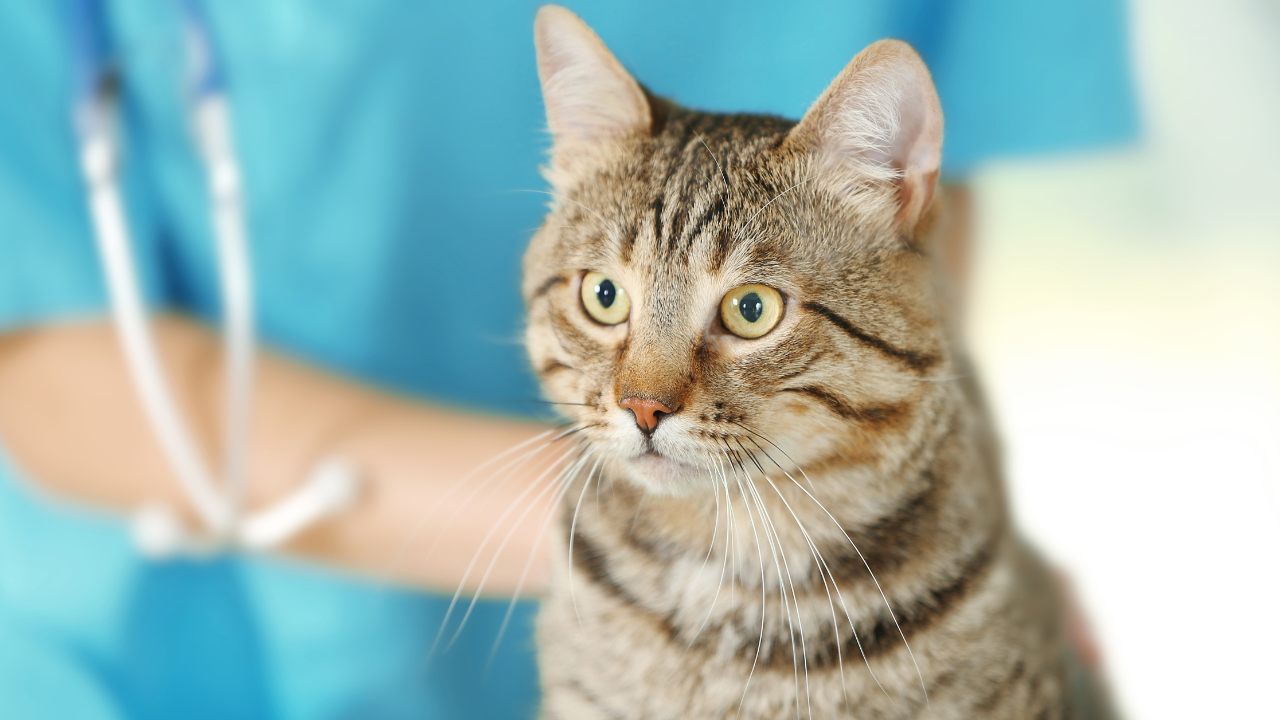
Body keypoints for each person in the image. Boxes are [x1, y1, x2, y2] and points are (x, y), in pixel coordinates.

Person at [0, 1, 1137, 718]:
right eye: (605, 298)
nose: (648, 394)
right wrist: (640, 558)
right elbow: (36, 362)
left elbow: (918, 253)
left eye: (743, 312)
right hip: (153, 651)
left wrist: (911, 521)